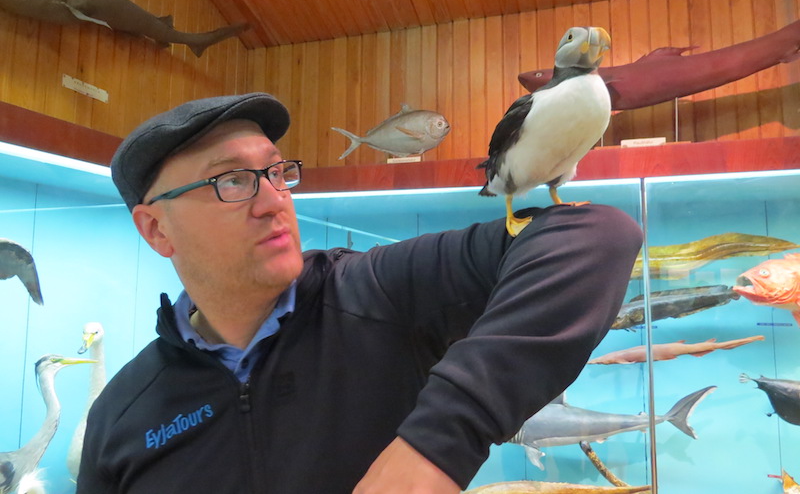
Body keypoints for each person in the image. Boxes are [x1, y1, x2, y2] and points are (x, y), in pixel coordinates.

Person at [77, 92, 643, 494]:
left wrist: (436, 446)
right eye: (232, 180)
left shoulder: (374, 292)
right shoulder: (120, 417)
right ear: (156, 230)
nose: (275, 199)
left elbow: (593, 234)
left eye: (277, 172)